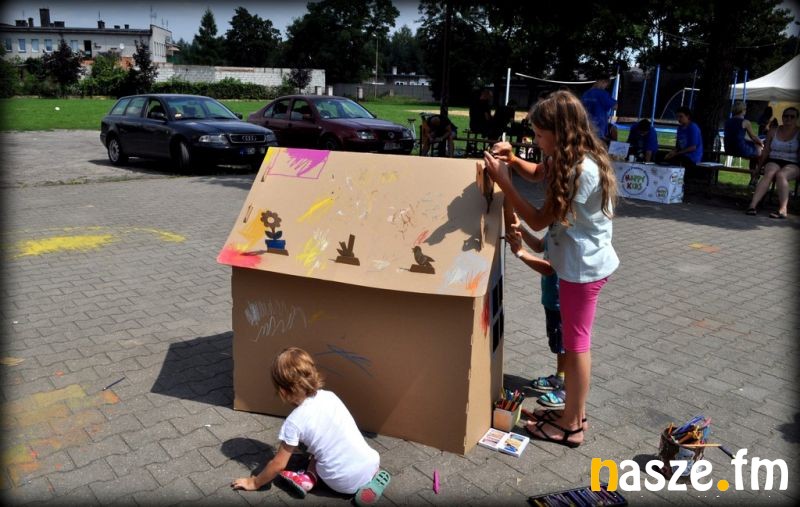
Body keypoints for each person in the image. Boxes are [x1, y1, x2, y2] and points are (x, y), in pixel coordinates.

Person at [484, 90, 619, 448]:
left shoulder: (581, 171)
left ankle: (572, 425)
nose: (536, 140)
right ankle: (572, 414)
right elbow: (536, 173)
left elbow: (539, 218)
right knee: (575, 345)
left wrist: (504, 181)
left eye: (540, 134)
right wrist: (512, 159)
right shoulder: (566, 155)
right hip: (577, 264)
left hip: (584, 270)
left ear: (560, 132)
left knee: (576, 347)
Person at [231, 347, 390, 505]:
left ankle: (308, 478)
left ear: (283, 391)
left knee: (316, 457)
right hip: (371, 462)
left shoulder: (294, 422)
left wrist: (254, 482)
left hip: (341, 482)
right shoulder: (330, 396)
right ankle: (371, 478)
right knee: (333, 443)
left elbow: (278, 465)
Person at [504, 212, 566, 409]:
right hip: (551, 297)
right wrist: (521, 228)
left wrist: (520, 252)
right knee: (558, 343)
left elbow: (549, 268)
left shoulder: (565, 231)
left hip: (560, 300)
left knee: (564, 344)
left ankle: (566, 388)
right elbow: (540, 246)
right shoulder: (555, 226)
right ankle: (560, 377)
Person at [745, 106, 799, 219]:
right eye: (786, 116)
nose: (788, 118)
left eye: (792, 116)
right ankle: (752, 205)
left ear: (796, 119)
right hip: (774, 159)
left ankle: (783, 209)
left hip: (793, 162)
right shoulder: (773, 130)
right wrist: (758, 168)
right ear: (782, 117)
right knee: (769, 173)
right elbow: (766, 151)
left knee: (781, 175)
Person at [724, 101, 764, 188]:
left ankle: (754, 178)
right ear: (743, 110)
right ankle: (756, 176)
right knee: (759, 150)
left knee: (754, 153)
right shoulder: (745, 122)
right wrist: (761, 143)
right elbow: (753, 137)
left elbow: (736, 136)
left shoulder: (728, 121)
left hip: (728, 148)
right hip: (740, 148)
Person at [665, 106, 703, 179]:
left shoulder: (693, 127)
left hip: (692, 157)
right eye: (677, 117)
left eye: (681, 116)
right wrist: (672, 152)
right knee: (663, 156)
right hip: (682, 154)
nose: (678, 119)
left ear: (687, 116)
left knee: (675, 160)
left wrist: (676, 153)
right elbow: (678, 146)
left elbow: (693, 147)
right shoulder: (680, 128)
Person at [581, 77, 617, 141]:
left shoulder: (585, 94)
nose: (606, 87)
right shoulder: (602, 93)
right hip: (599, 127)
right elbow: (615, 106)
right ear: (602, 81)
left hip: (586, 126)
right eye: (606, 84)